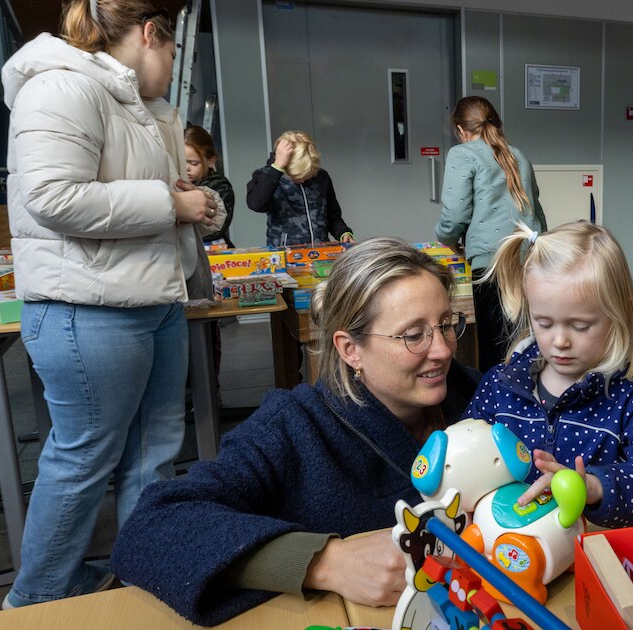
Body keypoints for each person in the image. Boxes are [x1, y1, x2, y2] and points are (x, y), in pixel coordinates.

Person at [111, 238, 479, 625]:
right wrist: (326, 562)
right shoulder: (294, 427)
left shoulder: (476, 395)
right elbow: (150, 528)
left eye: (445, 325)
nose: (442, 350)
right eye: (413, 335)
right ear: (350, 349)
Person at [0, 0, 220, 608]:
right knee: (85, 458)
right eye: (173, 48)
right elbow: (52, 196)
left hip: (153, 298)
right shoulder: (63, 86)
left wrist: (193, 204)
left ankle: (143, 573)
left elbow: (163, 194)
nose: (174, 63)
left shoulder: (142, 107)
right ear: (150, 34)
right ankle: (37, 599)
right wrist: (171, 204)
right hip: (87, 308)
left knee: (154, 451)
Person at [462, 222, 633, 529]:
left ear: (619, 313)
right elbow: (465, 452)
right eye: (544, 323)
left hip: (587, 547)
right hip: (501, 543)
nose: (560, 341)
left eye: (580, 326)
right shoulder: (499, 385)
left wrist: (593, 486)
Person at [435, 96, 547, 372]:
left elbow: (455, 215)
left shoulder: (463, 154)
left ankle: (497, 396)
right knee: (524, 337)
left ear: (461, 130)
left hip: (491, 260)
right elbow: (537, 208)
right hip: (528, 257)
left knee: (494, 347)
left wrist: (447, 240)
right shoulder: (517, 154)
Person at [247, 130, 355, 248]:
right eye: (297, 177)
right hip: (284, 253)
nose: (303, 180)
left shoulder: (322, 177)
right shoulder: (266, 176)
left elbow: (333, 215)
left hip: (320, 252)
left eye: (308, 176)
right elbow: (256, 204)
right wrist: (276, 168)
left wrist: (343, 232)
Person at [185, 124, 235, 247]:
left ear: (210, 161)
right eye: (181, 161)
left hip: (212, 249)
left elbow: (217, 228)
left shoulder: (220, 187)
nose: (187, 168)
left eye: (193, 163)